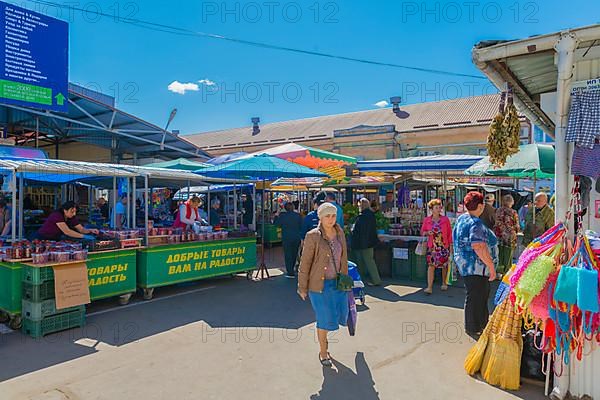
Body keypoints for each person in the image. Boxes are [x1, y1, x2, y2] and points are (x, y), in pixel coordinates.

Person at [297, 202, 349, 367]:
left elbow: (344, 258)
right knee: (324, 318)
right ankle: (323, 351)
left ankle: (325, 345)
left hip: (337, 283)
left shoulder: (340, 232)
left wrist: (346, 279)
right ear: (320, 217)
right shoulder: (313, 236)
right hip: (318, 286)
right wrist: (302, 286)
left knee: (338, 316)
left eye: (333, 215)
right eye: (327, 216)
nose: (331, 219)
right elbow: (305, 263)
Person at [453, 191, 498, 339]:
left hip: (466, 266)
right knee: (478, 295)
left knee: (475, 295)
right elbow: (478, 246)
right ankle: (475, 326)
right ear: (480, 206)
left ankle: (476, 325)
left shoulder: (462, 219)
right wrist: (491, 266)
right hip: (476, 267)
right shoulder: (475, 223)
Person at [420, 199, 452, 294]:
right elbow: (422, 232)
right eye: (436, 207)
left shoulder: (445, 219)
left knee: (444, 265)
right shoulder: (427, 220)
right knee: (431, 266)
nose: (439, 209)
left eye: (439, 207)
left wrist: (450, 246)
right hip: (432, 247)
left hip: (443, 246)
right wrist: (427, 232)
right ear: (431, 209)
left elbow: (450, 233)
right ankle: (429, 287)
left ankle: (444, 283)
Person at [350, 198, 381, 286]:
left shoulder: (362, 217)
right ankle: (375, 279)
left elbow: (359, 230)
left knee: (362, 262)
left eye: (359, 205)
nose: (358, 206)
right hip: (370, 242)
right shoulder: (371, 215)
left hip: (362, 243)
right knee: (369, 261)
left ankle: (374, 280)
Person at [274, 202, 303, 278]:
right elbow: (302, 226)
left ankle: (290, 271)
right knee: (294, 253)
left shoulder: (283, 216)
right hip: (296, 237)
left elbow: (277, 224)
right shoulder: (298, 216)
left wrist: (276, 216)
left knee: (288, 254)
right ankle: (292, 268)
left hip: (286, 237)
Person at [494, 194, 520, 277]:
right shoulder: (513, 212)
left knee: (499, 253)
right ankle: (507, 272)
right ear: (511, 202)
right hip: (509, 237)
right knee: (508, 255)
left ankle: (499, 272)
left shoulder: (498, 210)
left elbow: (496, 222)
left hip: (499, 236)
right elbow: (516, 226)